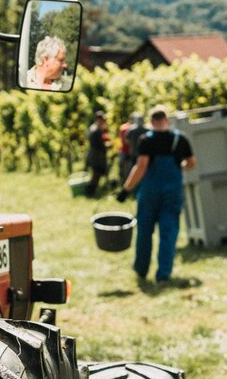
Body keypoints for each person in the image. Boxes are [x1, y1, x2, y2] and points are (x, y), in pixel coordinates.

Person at [116, 105, 196, 284]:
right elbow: (191, 163)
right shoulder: (180, 140)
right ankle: (163, 275)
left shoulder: (147, 140)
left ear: (151, 122)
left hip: (150, 192)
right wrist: (179, 167)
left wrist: (126, 189)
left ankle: (141, 270)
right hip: (172, 193)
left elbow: (141, 167)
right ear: (166, 120)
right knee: (168, 233)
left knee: (145, 231)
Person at [84, 111, 110, 197]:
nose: (104, 122)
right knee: (96, 174)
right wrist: (106, 145)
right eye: (102, 120)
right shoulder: (96, 130)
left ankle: (91, 192)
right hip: (96, 156)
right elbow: (99, 144)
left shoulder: (94, 128)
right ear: (99, 120)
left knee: (96, 174)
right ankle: (89, 192)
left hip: (94, 155)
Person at [118, 112, 147, 183]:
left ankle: (130, 185)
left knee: (132, 170)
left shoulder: (131, 129)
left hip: (133, 153)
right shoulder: (147, 130)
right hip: (144, 154)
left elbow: (126, 141)